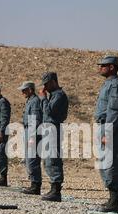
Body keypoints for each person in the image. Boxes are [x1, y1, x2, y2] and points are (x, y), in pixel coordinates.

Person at [94, 56, 118, 214]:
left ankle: (115, 201)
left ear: (112, 67)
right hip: (103, 125)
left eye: (104, 65)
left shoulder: (115, 85)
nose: (100, 67)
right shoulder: (108, 84)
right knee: (104, 163)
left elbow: (114, 110)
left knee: (111, 163)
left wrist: (108, 132)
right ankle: (112, 198)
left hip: (110, 127)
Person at [39, 72, 69, 202]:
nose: (44, 87)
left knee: (53, 158)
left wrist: (43, 98)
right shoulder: (53, 96)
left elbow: (49, 111)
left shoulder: (59, 96)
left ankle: (56, 190)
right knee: (48, 159)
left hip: (53, 128)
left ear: (53, 82)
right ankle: (53, 187)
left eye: (46, 84)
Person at [19, 82, 43, 195]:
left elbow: (35, 119)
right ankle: (33, 183)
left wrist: (32, 136)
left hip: (32, 131)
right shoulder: (30, 100)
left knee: (32, 159)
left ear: (30, 90)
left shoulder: (34, 101)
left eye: (24, 90)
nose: (22, 92)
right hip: (28, 130)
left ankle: (35, 185)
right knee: (29, 159)